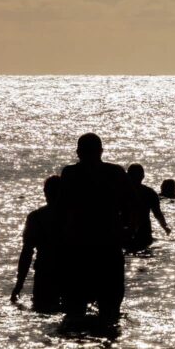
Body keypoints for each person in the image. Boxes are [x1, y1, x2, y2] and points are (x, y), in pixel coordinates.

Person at [59, 133, 131, 321]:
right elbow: (131, 207)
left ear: (78, 152)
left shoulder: (70, 174)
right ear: (101, 151)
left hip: (78, 248)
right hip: (108, 247)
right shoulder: (115, 173)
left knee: (75, 311)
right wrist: (127, 232)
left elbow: (61, 209)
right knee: (110, 311)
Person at [11, 175, 65, 313]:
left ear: (45, 192)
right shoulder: (75, 216)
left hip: (45, 273)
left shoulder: (36, 217)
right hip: (71, 272)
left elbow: (27, 253)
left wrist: (18, 286)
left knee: (42, 311)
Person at [125, 164, 171, 252]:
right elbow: (157, 213)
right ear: (143, 176)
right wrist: (164, 226)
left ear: (128, 175)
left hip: (125, 230)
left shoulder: (121, 191)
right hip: (144, 231)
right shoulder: (149, 192)